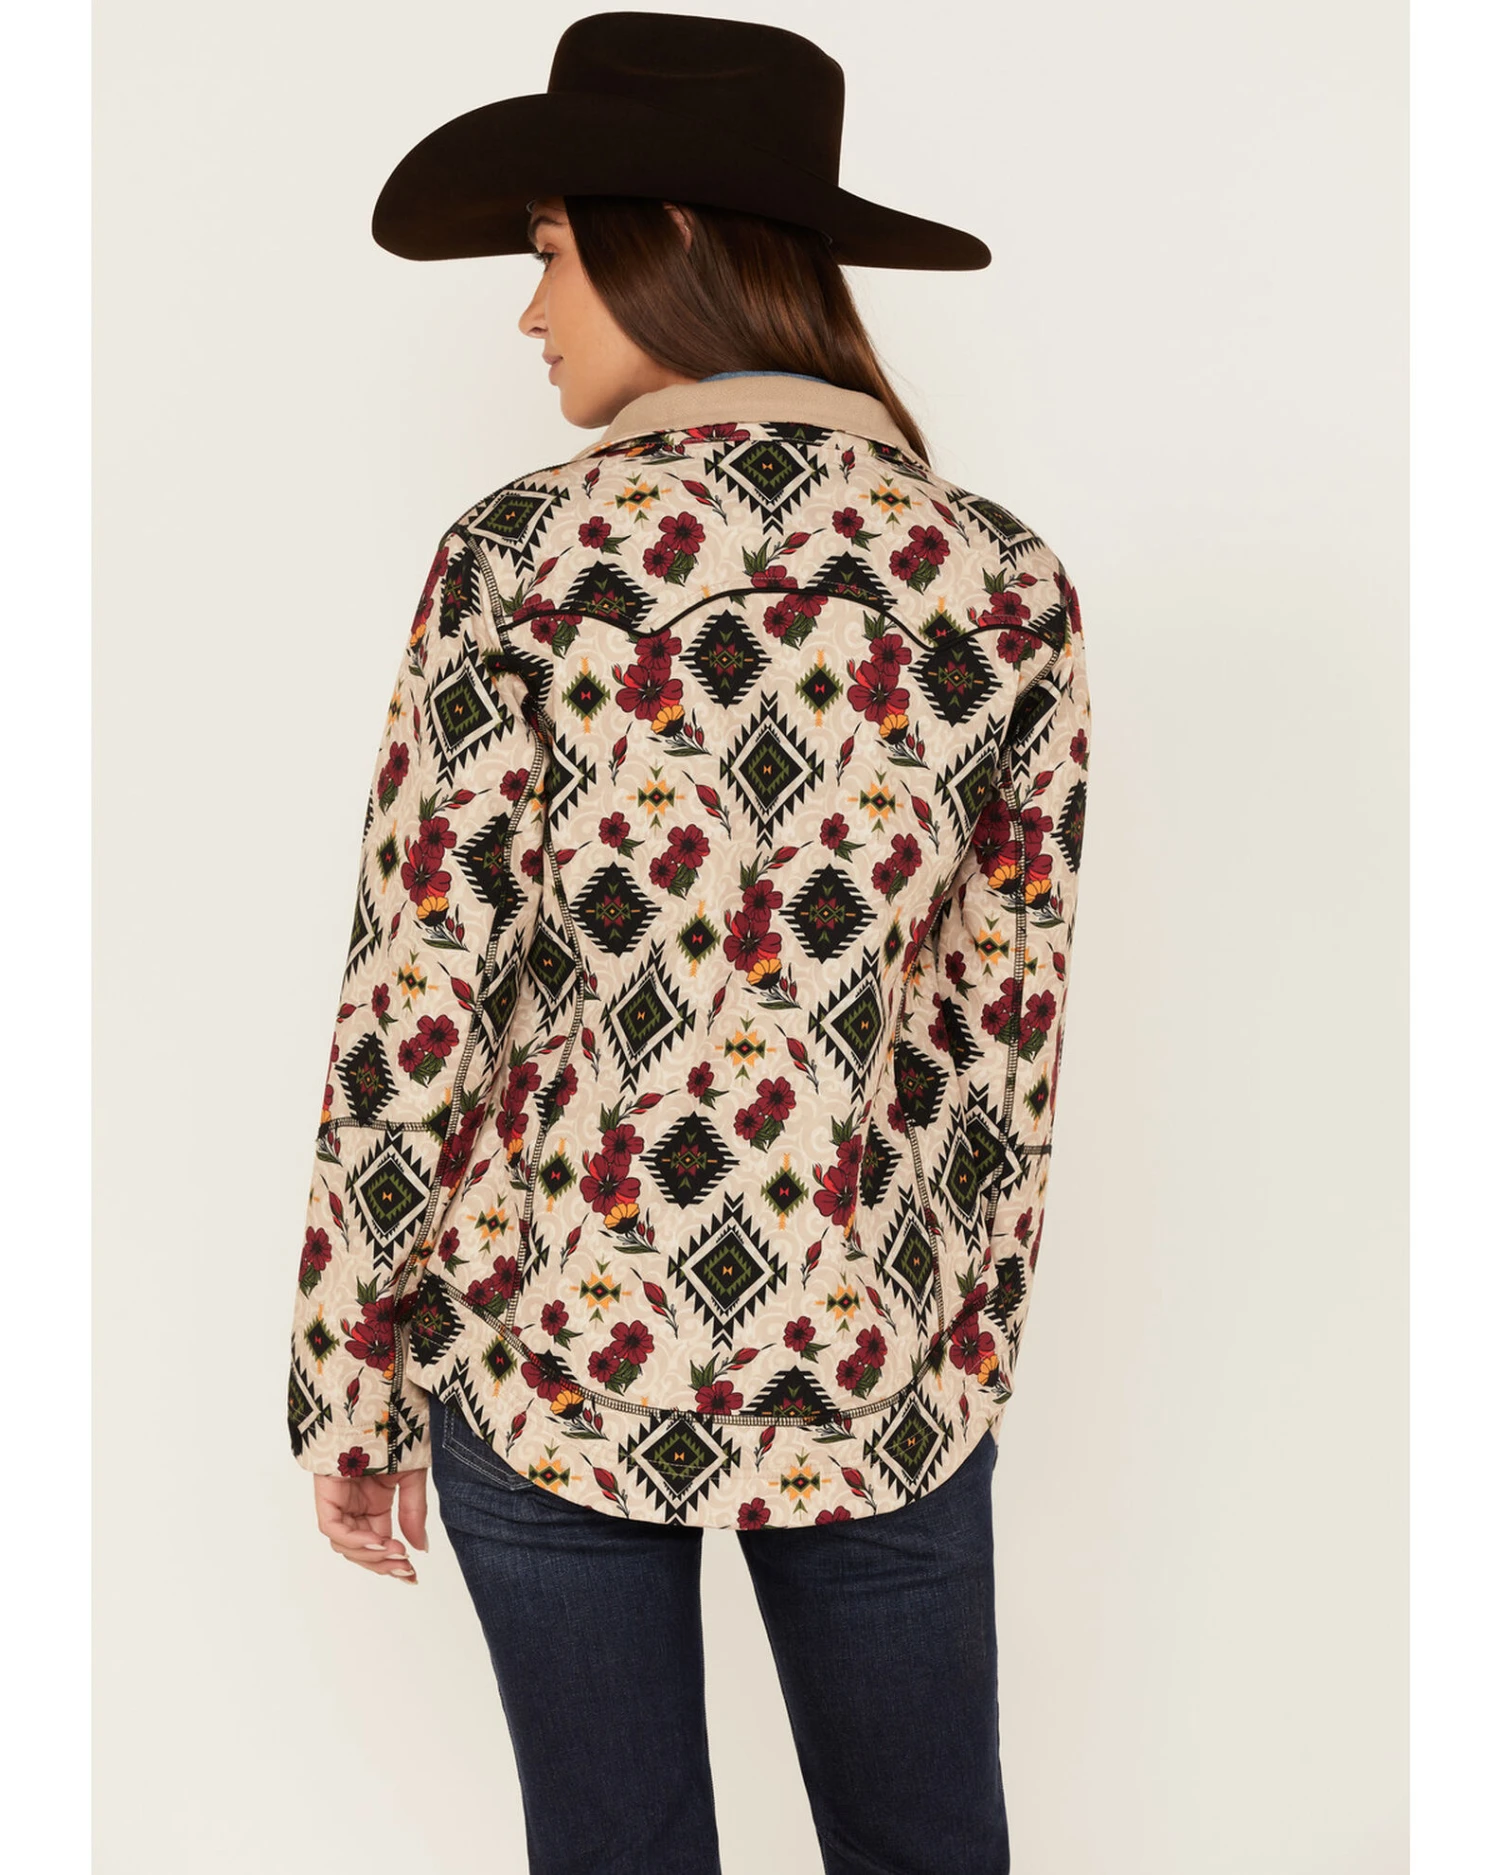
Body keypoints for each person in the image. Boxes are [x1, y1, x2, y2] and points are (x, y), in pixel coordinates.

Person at [284, 14, 1089, 1874]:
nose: (528, 311)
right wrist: (958, 1349)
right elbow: (1006, 1029)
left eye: (551, 250)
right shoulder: (1002, 583)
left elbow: (421, 992)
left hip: (550, 1346)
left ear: (669, 239)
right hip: (875, 1359)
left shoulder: (521, 560)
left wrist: (351, 1364)